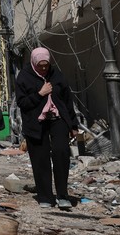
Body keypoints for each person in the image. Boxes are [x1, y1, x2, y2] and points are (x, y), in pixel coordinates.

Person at [15, 46, 79, 209]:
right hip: (35, 123)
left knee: (61, 153)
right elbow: (23, 103)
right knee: (40, 159)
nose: (43, 68)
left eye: (46, 65)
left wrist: (73, 124)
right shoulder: (24, 77)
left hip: (57, 120)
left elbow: (67, 101)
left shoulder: (57, 75)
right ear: (34, 63)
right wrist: (40, 94)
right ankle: (45, 196)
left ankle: (62, 195)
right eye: (40, 66)